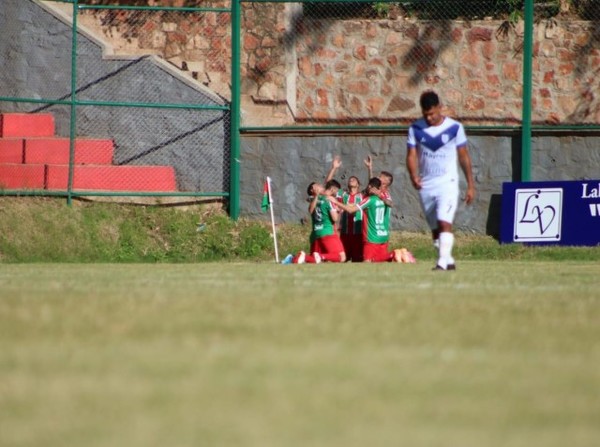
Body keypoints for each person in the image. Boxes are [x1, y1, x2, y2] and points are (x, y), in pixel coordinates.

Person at [406, 90, 475, 271]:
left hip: (448, 182)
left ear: (440, 107)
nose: (429, 118)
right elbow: (411, 155)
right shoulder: (416, 129)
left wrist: (470, 185)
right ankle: (447, 259)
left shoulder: (454, 128)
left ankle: (441, 263)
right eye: (426, 114)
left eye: (433, 113)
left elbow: (463, 156)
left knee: (445, 222)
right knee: (435, 229)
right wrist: (413, 175)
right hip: (427, 184)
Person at [334, 177, 403, 263]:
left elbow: (351, 210)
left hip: (372, 238)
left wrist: (336, 202)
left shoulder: (369, 200)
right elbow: (391, 204)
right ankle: (391, 255)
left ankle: (393, 254)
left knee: (367, 262)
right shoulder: (386, 198)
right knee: (379, 263)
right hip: (383, 236)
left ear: (370, 187)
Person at [293, 180, 346, 264]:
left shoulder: (314, 199)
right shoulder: (328, 200)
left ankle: (296, 258)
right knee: (341, 257)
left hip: (316, 233)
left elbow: (311, 209)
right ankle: (310, 256)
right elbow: (335, 218)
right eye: (317, 185)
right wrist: (338, 211)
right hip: (327, 232)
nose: (321, 186)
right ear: (312, 190)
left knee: (316, 260)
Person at [325, 156, 364, 262]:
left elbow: (373, 185)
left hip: (358, 233)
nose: (351, 179)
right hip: (345, 233)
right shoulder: (343, 195)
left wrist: (370, 169)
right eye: (350, 179)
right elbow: (329, 185)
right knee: (343, 259)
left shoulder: (362, 196)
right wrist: (334, 168)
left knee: (357, 260)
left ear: (358, 184)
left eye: (354, 179)